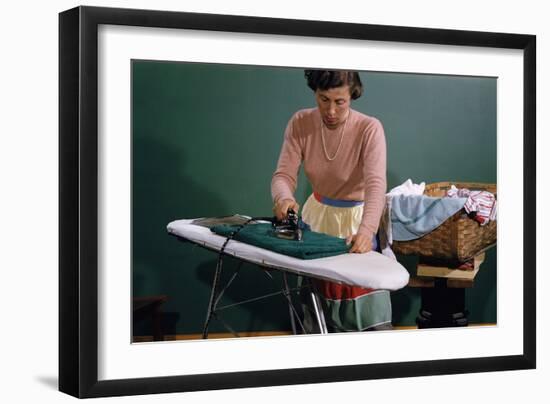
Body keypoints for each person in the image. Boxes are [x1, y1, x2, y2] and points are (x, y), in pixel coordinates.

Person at [271, 69, 392, 332]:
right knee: (317, 309)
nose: (331, 111)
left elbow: (375, 184)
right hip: (318, 219)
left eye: (340, 102)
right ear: (315, 92)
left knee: (364, 311)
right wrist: (283, 198)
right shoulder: (300, 122)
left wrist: (367, 230)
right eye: (323, 99)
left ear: (352, 96)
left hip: (358, 220)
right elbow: (283, 175)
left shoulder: (369, 128)